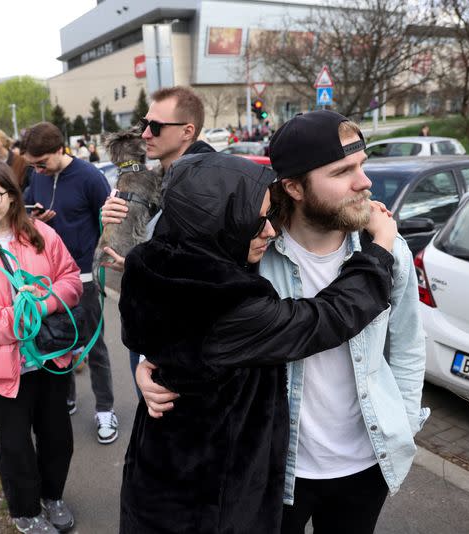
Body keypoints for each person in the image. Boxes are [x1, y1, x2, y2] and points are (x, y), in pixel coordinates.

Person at [118, 150, 399, 533]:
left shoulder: (158, 262)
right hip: (206, 501)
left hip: (165, 474)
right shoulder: (224, 305)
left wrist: (147, 363)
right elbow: (327, 318)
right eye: (258, 220)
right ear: (218, 223)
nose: (271, 230)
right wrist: (380, 250)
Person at [261, 111, 427, 534]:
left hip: (365, 465)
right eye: (342, 171)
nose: (364, 182)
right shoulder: (257, 255)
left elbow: (406, 346)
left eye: (362, 165)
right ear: (294, 186)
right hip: (277, 467)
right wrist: (159, 363)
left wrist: (404, 424)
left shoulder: (391, 250)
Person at [0, 161, 83, 533]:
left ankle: (52, 496)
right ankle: (26, 512)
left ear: (11, 194)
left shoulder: (41, 234)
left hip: (50, 358)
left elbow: (70, 279)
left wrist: (43, 303)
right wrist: (19, 319)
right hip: (2, 366)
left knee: (58, 436)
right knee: (14, 445)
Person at [100, 86, 214, 391]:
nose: (145, 134)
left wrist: (139, 264)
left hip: (181, 344)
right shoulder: (160, 180)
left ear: (187, 131)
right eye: (143, 125)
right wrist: (113, 221)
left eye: (155, 127)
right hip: (146, 331)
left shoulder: (204, 184)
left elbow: (207, 270)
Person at [22, 122, 117, 444]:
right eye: (32, 165)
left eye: (41, 163)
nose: (37, 170)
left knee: (94, 346)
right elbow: (23, 210)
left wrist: (102, 261)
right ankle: (67, 397)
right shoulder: (37, 176)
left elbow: (109, 223)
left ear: (59, 150)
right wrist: (33, 218)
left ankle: (105, 408)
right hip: (47, 279)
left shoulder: (90, 176)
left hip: (84, 276)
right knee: (58, 342)